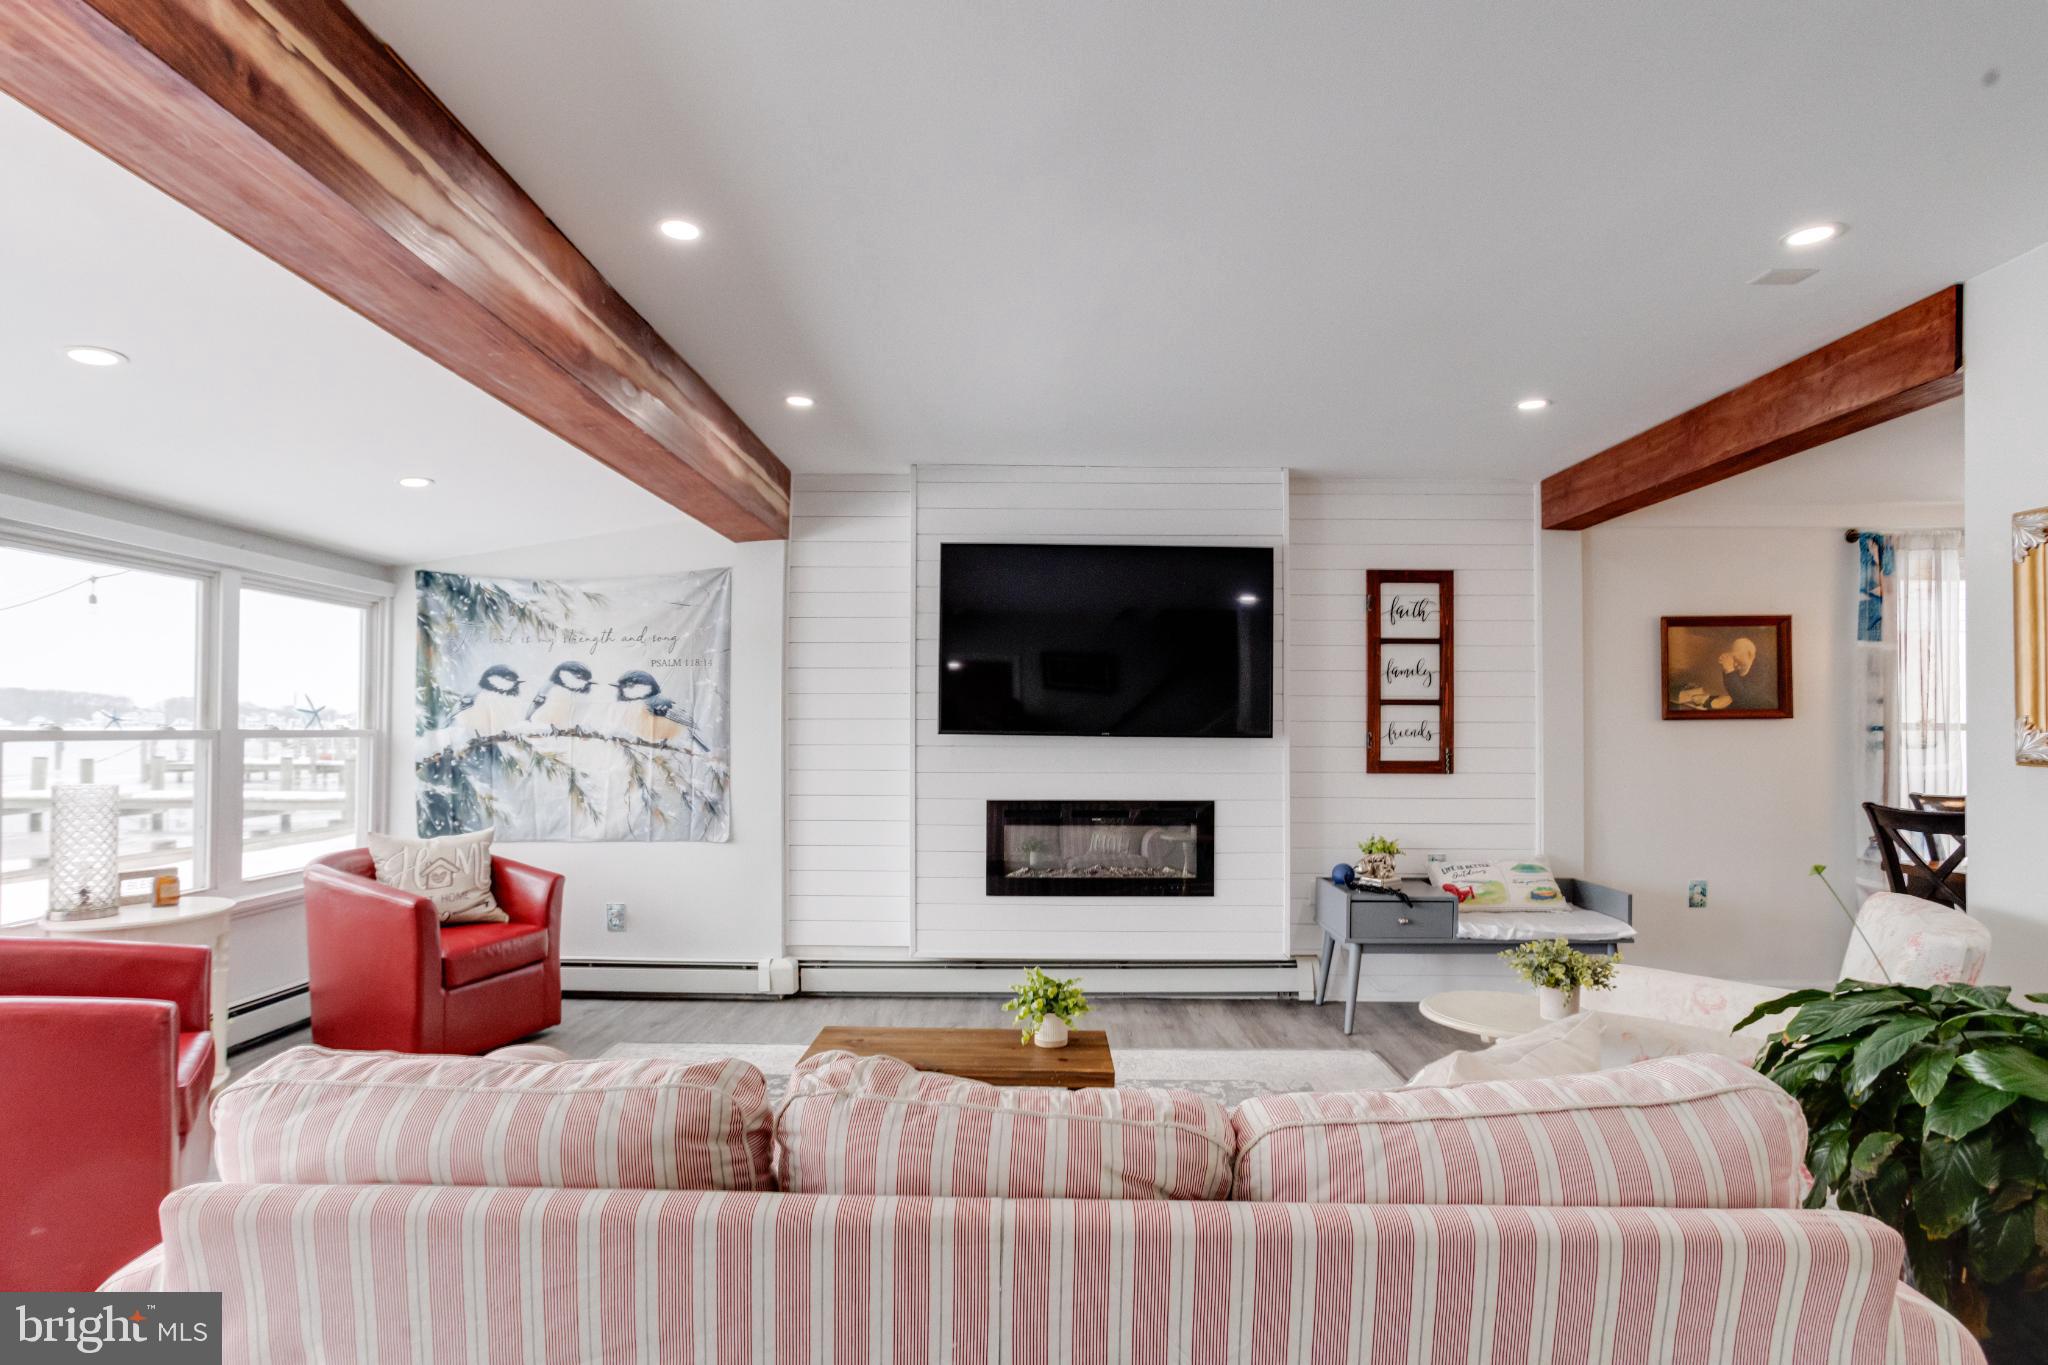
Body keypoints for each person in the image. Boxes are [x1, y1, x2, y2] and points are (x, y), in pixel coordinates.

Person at [1716, 636, 1775, 709]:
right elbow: (1732, 691)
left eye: (1737, 659)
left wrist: (1729, 670)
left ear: (1750, 655)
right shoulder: (1739, 663)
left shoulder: (1762, 669)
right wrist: (1726, 667)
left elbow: (1743, 697)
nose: (1734, 664)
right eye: (1733, 658)